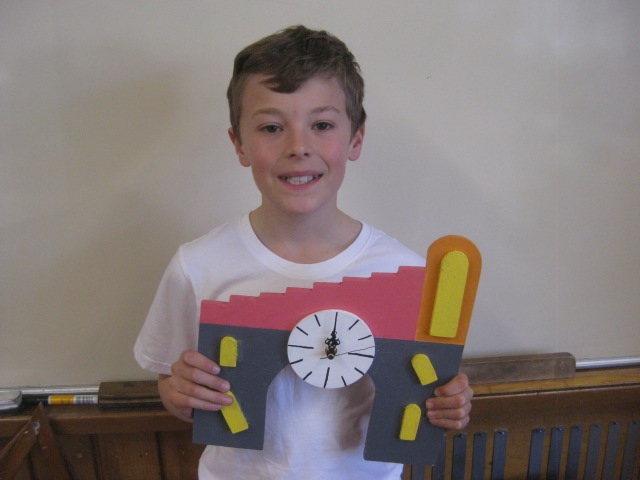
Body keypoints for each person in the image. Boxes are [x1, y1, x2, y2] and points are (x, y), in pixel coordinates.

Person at [134, 25, 473, 480]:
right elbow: (171, 379)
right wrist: (179, 394)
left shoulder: (407, 273)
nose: (298, 147)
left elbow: (426, 389)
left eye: (322, 125)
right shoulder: (196, 266)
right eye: (271, 128)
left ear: (355, 139)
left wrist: (450, 404)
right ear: (239, 144)